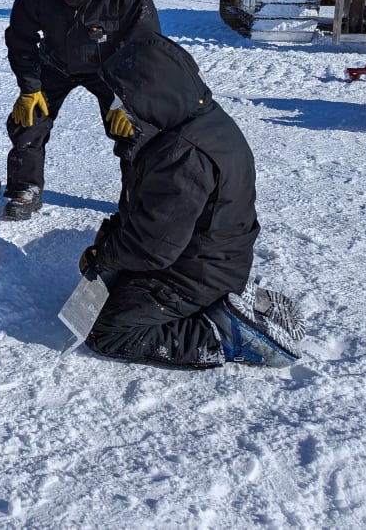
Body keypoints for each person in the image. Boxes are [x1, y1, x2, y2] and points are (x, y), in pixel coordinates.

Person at [80, 35, 305, 368]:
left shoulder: (183, 154)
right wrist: (112, 240)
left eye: (124, 99)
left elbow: (152, 247)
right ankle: (225, 301)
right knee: (107, 284)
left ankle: (219, 335)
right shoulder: (196, 122)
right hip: (208, 256)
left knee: (106, 329)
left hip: (195, 274)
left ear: (151, 95)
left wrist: (107, 254)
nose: (119, 107)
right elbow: (151, 211)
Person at [2, 0, 161, 220]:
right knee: (28, 120)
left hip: (110, 69)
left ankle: (136, 198)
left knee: (134, 128)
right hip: (55, 62)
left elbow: (147, 51)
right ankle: (25, 187)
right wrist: (29, 88)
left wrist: (126, 100)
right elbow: (20, 39)